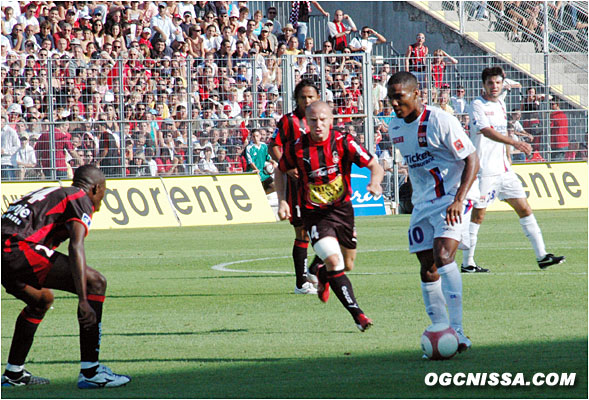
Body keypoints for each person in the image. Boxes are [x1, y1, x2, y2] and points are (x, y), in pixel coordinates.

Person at [1, 165, 131, 389]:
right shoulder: (80, 197)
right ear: (96, 188)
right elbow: (76, 246)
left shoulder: (53, 193)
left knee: (41, 300)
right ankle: (91, 371)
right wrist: (83, 300)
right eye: (104, 191)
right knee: (96, 283)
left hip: (7, 250)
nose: (102, 197)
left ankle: (14, 374)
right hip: (16, 249)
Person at [386, 71, 479, 354]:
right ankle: (440, 328)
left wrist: (459, 199)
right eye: (390, 98)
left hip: (453, 197)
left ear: (416, 94)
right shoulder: (395, 128)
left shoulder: (441, 120)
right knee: (427, 267)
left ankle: (459, 331)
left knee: (443, 256)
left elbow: (472, 159)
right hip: (423, 204)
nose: (393, 103)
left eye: (399, 97)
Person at [276, 101, 383, 331]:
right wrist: (283, 200)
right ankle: (359, 315)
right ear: (306, 122)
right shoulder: (297, 147)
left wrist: (375, 182)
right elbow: (280, 169)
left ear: (331, 121)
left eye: (323, 120)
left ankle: (322, 273)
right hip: (314, 215)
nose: (318, 125)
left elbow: (375, 164)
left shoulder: (343, 141)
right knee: (335, 261)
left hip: (343, 211)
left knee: (348, 264)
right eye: (313, 120)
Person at [465, 66, 565, 272]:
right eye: (490, 83)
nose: (494, 86)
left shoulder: (501, 103)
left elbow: (501, 133)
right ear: (483, 85)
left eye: (498, 83)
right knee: (478, 216)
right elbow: (485, 131)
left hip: (504, 171)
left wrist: (509, 155)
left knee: (524, 208)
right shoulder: (476, 105)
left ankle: (542, 256)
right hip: (485, 171)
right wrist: (516, 142)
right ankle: (468, 263)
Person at [269, 80, 322, 295]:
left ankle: (315, 268)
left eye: (311, 97)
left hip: (321, 184)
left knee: (333, 229)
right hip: (298, 186)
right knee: (302, 232)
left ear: (318, 98)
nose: (307, 101)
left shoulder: (322, 119)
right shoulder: (289, 121)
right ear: (296, 99)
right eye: (303, 97)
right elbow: (274, 146)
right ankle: (301, 283)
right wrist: (287, 166)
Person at [245, 129, 274, 194]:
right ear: (251, 137)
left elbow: (267, 157)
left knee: (274, 186)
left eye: (257, 136)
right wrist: (256, 170)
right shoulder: (249, 148)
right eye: (253, 136)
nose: (255, 138)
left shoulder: (264, 146)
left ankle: (263, 194)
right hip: (254, 172)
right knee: (256, 190)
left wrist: (273, 162)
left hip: (264, 173)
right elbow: (250, 162)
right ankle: (260, 195)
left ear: (260, 136)